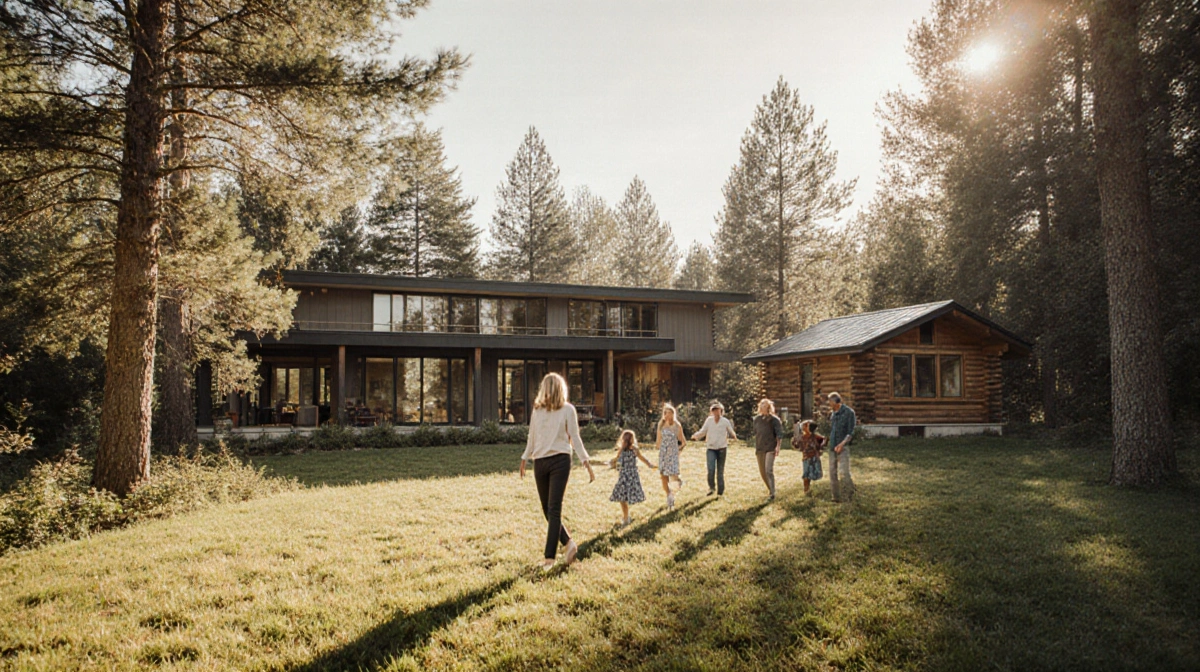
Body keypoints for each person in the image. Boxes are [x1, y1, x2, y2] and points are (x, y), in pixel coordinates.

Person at [519, 373, 595, 571]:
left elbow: (575, 437)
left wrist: (585, 460)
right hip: (540, 462)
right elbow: (532, 436)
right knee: (547, 509)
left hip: (560, 461)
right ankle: (568, 543)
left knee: (554, 508)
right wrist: (525, 457)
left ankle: (549, 558)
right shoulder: (537, 411)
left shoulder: (568, 410)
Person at [608, 429, 657, 527]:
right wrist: (613, 464)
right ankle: (626, 517)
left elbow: (642, 458)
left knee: (624, 496)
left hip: (630, 476)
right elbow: (618, 460)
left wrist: (650, 464)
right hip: (624, 476)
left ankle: (626, 517)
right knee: (622, 496)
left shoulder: (634, 449)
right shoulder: (622, 449)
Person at [691, 400, 737, 496]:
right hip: (711, 448)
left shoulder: (725, 421)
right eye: (714, 410)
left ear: (721, 411)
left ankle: (720, 491)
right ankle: (711, 488)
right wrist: (696, 436)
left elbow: (731, 431)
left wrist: (734, 436)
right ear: (711, 411)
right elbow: (703, 431)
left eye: (717, 410)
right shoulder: (709, 420)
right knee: (711, 469)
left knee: (720, 471)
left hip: (722, 449)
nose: (716, 412)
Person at [656, 403, 687, 510]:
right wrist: (659, 447)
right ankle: (669, 496)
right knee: (663, 477)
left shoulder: (677, 425)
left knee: (673, 476)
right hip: (663, 454)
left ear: (673, 414)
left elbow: (683, 442)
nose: (667, 415)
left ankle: (678, 484)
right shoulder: (661, 424)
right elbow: (658, 441)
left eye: (669, 413)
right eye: (665, 413)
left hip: (673, 454)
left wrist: (677, 451)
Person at [827, 392, 856, 502]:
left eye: (830, 402)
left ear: (835, 402)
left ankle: (849, 496)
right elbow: (833, 430)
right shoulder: (833, 414)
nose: (829, 404)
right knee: (832, 473)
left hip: (843, 447)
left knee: (844, 472)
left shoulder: (849, 413)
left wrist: (841, 444)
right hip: (832, 447)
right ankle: (835, 497)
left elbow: (850, 433)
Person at [753, 399, 784, 500]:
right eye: (761, 404)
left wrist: (778, 447)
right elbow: (756, 432)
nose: (762, 406)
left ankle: (772, 493)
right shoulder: (757, 419)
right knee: (762, 472)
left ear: (769, 407)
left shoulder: (774, 420)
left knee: (768, 470)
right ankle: (770, 489)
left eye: (765, 404)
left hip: (770, 447)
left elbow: (779, 434)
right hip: (760, 448)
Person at [791, 420, 826, 497]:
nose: (803, 427)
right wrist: (794, 441)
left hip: (814, 458)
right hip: (806, 458)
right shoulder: (802, 437)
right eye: (803, 426)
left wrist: (820, 447)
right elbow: (797, 446)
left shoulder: (815, 437)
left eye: (805, 426)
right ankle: (806, 490)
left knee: (814, 475)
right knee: (806, 476)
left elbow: (823, 441)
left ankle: (809, 489)